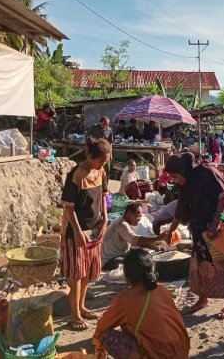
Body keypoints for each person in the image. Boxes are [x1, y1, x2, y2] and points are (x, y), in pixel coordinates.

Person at [162, 152, 224, 319]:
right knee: (201, 262)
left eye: (175, 176)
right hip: (199, 226)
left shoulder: (207, 172)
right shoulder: (185, 182)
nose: (174, 180)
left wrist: (216, 223)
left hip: (219, 222)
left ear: (183, 169)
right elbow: (181, 207)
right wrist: (170, 231)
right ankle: (202, 299)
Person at [93, 248, 189, 359]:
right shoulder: (162, 289)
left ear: (126, 273)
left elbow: (102, 326)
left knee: (105, 336)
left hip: (159, 355)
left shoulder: (125, 299)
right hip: (182, 353)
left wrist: (97, 345)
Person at [61, 137, 112, 331]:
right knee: (75, 273)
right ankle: (73, 314)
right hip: (76, 232)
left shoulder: (101, 171)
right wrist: (77, 231)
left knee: (87, 273)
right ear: (90, 156)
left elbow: (104, 196)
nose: (103, 164)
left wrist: (105, 218)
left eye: (105, 161)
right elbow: (69, 207)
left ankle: (81, 307)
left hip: (95, 229)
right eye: (100, 160)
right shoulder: (76, 174)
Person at [101, 203, 162, 270]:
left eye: (140, 217)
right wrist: (157, 238)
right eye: (137, 216)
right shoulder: (122, 224)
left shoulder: (124, 222)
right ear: (129, 214)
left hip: (118, 256)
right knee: (140, 263)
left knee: (143, 257)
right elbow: (134, 239)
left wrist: (150, 246)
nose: (139, 219)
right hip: (109, 261)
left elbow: (134, 243)